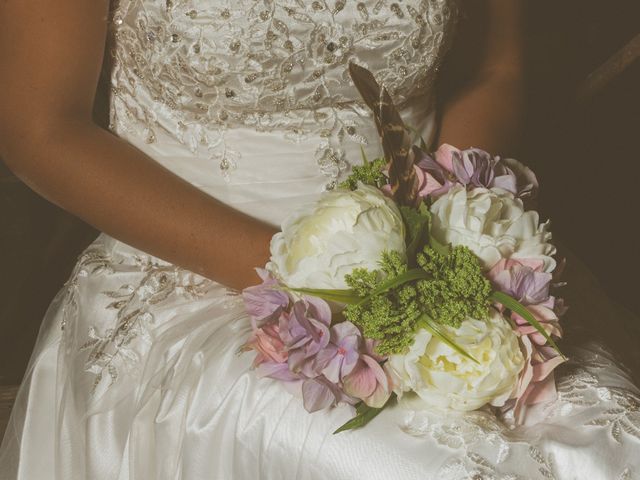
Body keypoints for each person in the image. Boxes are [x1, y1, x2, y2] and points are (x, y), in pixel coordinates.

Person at [0, 1, 638, 479]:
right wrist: (321, 283)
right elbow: (41, 129)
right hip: (192, 264)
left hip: (430, 247)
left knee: (606, 449)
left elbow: (494, 67)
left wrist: (448, 228)